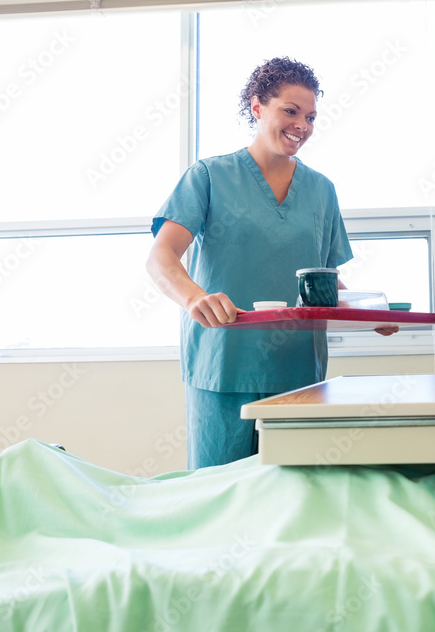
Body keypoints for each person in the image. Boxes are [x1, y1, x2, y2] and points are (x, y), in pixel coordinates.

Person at [147, 57, 394, 470]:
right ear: (257, 106)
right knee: (219, 497)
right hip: (224, 365)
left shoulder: (321, 191)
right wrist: (194, 298)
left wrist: (372, 314)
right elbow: (160, 257)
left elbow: (327, 285)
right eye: (291, 111)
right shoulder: (208, 177)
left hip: (298, 370)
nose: (303, 125)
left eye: (311, 117)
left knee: (294, 501)